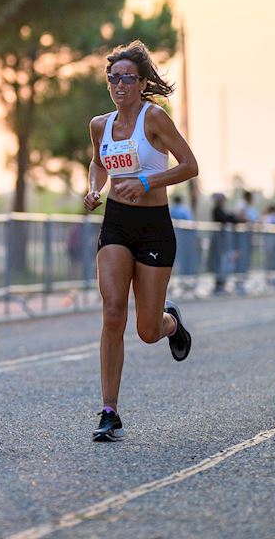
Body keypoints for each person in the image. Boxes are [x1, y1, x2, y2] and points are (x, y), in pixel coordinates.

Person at [82, 41, 199, 442]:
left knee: (146, 330)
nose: (118, 85)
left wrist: (148, 180)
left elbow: (189, 165)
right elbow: (99, 164)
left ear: (142, 81)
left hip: (153, 224)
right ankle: (109, 411)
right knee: (113, 311)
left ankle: (171, 324)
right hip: (116, 222)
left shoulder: (155, 119)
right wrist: (95, 190)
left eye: (127, 78)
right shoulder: (100, 125)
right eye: (112, 78)